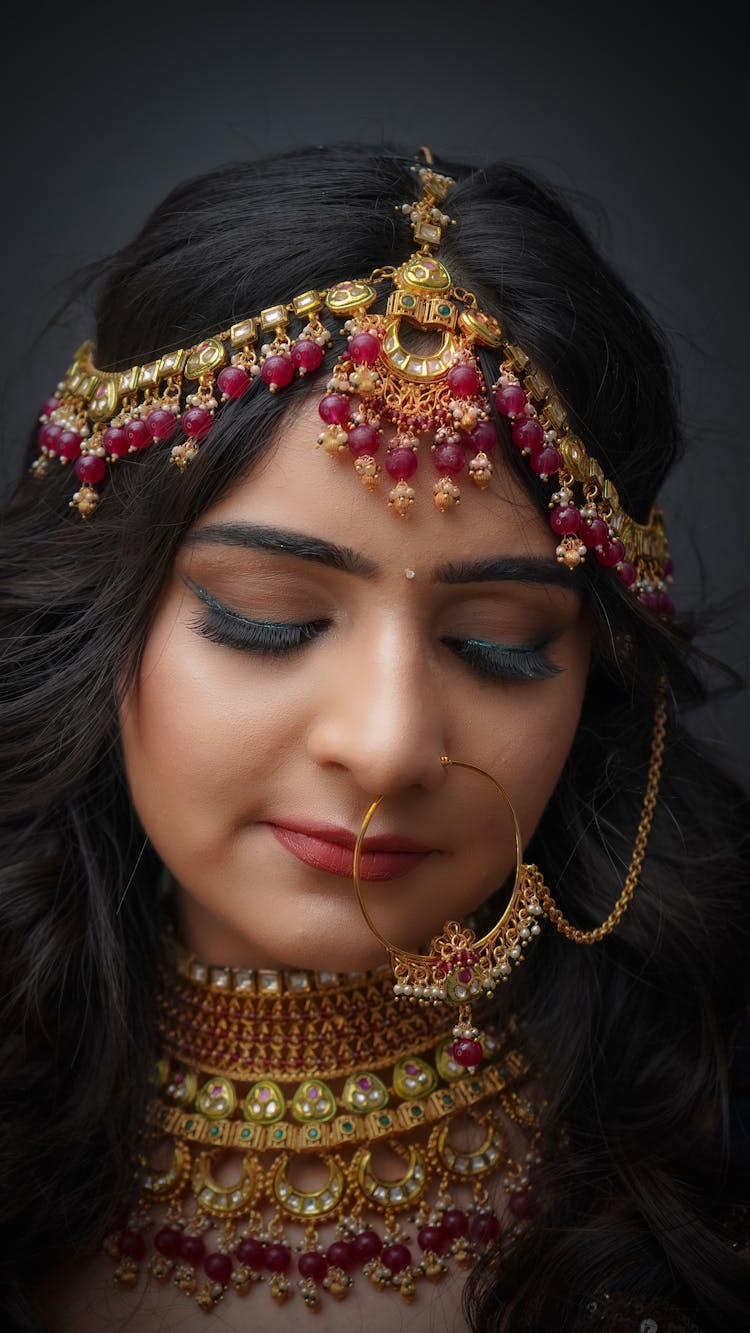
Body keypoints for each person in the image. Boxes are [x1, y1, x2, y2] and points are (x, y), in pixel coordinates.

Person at [1, 142, 748, 1333]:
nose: (391, 745)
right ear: (103, 618)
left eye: (500, 643)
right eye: (269, 620)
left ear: (602, 685)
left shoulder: (693, 1165)